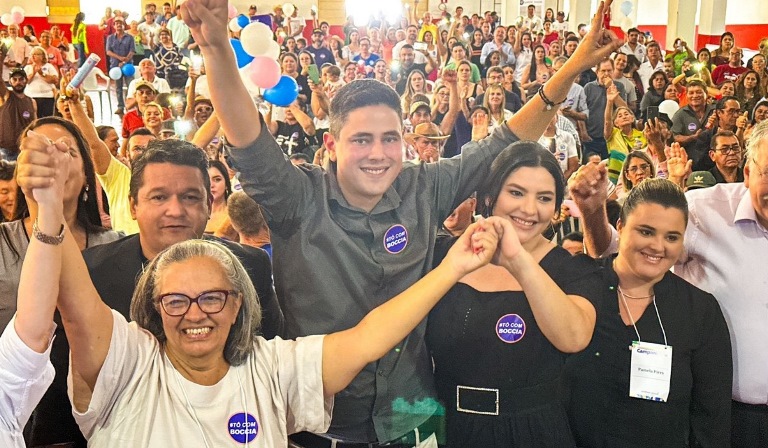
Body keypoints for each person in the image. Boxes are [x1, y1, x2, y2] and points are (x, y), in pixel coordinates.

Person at [181, 0, 622, 443]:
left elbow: (504, 141)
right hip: (321, 425)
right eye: (362, 140)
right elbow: (248, 139)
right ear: (331, 144)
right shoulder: (296, 198)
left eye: (390, 138)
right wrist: (217, 46)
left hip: (413, 419)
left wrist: (574, 66)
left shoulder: (422, 187)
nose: (378, 153)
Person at [18, 127, 501, 445]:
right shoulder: (129, 364)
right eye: (175, 300)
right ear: (153, 307)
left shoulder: (268, 369)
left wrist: (451, 266)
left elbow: (370, 335)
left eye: (212, 297)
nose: (195, 312)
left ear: (238, 304)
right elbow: (78, 308)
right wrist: (47, 204)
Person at [427, 141, 602, 447]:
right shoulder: (445, 255)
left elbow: (573, 337)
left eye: (544, 198)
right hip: (444, 427)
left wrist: (518, 259)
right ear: (490, 196)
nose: (529, 209)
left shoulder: (571, 269)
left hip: (530, 431)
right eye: (516, 192)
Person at [564, 176, 732, 447]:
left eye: (672, 237)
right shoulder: (579, 288)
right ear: (620, 226)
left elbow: (711, 416)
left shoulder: (700, 310)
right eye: (646, 231)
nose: (657, 246)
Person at [5, 118, 120, 446]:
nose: (52, 158)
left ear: (87, 176)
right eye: (40, 150)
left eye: (66, 151)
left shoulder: (118, 246)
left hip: (106, 414)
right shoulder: (3, 243)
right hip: (19, 418)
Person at [0, 65, 37, 161]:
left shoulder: (32, 101)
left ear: (26, 80)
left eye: (21, 79)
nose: (18, 82)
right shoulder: (7, 96)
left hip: (25, 149)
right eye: (15, 80)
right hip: (6, 150)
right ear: (10, 82)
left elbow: (35, 125)